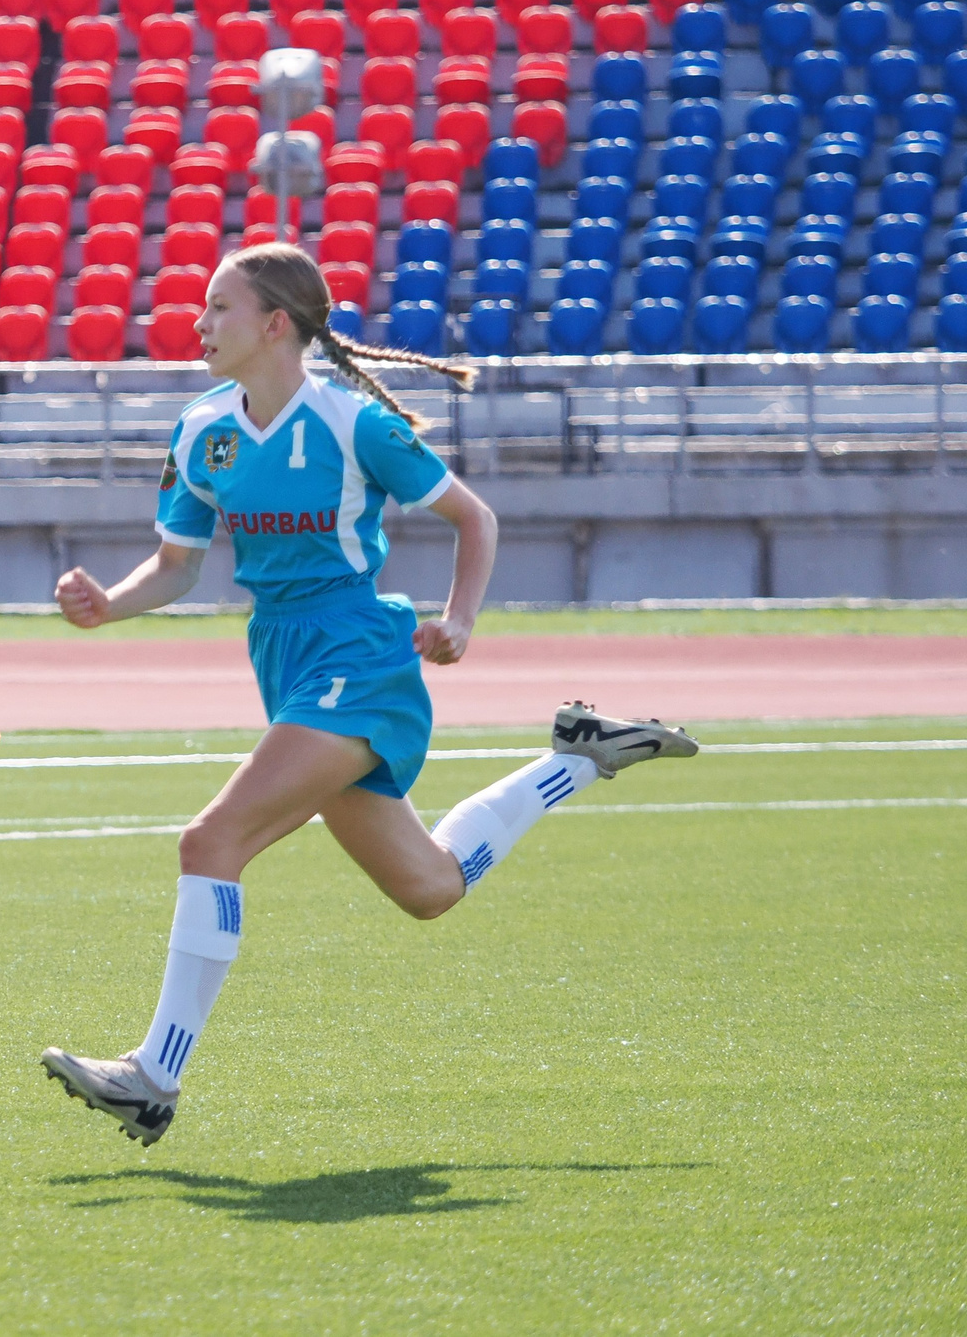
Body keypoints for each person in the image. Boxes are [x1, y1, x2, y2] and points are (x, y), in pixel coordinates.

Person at [38, 245, 692, 1142]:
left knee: (211, 838)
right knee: (428, 887)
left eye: (217, 306)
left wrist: (459, 620)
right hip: (285, 656)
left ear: (276, 324)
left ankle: (155, 1074)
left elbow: (475, 516)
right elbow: (179, 565)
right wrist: (108, 604)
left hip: (360, 652)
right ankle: (575, 759)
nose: (198, 322)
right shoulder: (201, 429)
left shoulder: (354, 424)